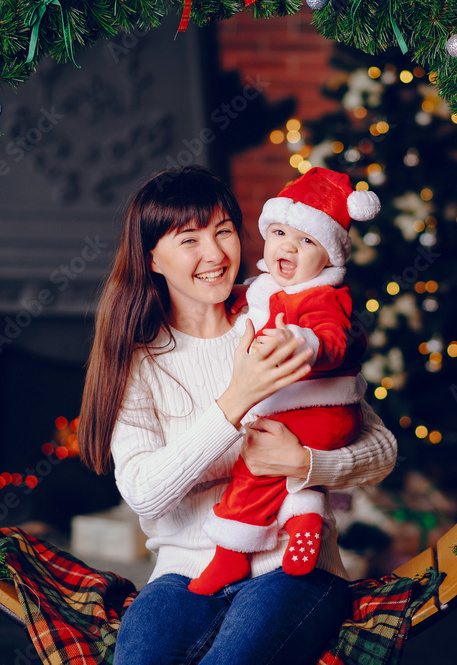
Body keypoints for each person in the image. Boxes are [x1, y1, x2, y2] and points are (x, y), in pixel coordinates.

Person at [78, 165, 396, 665]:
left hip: (292, 567)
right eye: (189, 240)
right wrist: (236, 398)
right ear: (152, 258)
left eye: (224, 231)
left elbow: (381, 451)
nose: (215, 254)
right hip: (184, 574)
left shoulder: (277, 317)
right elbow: (143, 493)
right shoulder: (139, 361)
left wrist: (305, 463)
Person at [189, 167, 382, 595]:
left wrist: (304, 341)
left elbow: (331, 337)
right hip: (313, 414)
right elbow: (249, 299)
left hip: (318, 409)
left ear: (329, 258)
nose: (288, 246)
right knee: (285, 469)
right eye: (279, 233)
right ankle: (305, 515)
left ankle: (232, 555)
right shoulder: (269, 287)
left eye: (307, 240)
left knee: (255, 467)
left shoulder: (322, 297)